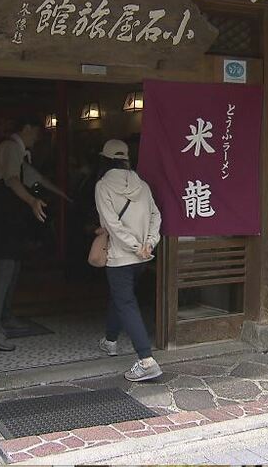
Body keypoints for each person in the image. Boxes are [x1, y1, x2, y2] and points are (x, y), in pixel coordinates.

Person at [0, 114, 68, 351]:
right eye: (37, 132)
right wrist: (32, 201)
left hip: (12, 217)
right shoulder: (10, 147)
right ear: (27, 127)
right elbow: (11, 180)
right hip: (2, 217)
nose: (38, 138)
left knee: (14, 265)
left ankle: (5, 316)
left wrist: (63, 196)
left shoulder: (19, 152)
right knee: (5, 267)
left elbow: (34, 178)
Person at [94, 139, 162, 381]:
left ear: (105, 159)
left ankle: (146, 360)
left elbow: (111, 224)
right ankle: (110, 341)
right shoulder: (142, 185)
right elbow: (156, 215)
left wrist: (134, 246)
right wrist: (148, 243)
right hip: (142, 257)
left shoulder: (103, 186)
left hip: (120, 256)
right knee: (121, 297)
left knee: (126, 303)